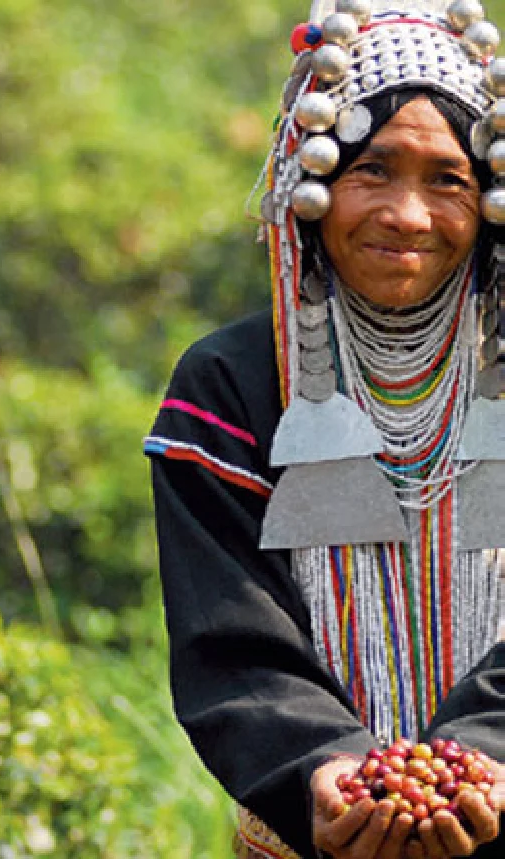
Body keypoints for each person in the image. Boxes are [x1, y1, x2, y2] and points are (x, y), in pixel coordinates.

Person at [146, 2, 505, 857]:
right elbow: (230, 634)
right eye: (371, 170)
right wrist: (331, 771)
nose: (407, 214)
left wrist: (484, 759)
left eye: (447, 180)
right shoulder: (231, 382)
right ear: (306, 183)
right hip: (319, 824)